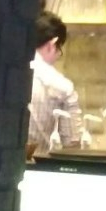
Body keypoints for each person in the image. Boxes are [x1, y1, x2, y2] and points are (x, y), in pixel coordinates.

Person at [27, 10, 80, 153]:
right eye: (59, 49)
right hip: (38, 164)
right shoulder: (63, 87)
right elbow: (72, 146)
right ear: (52, 44)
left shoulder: (7, 75)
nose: (57, 57)